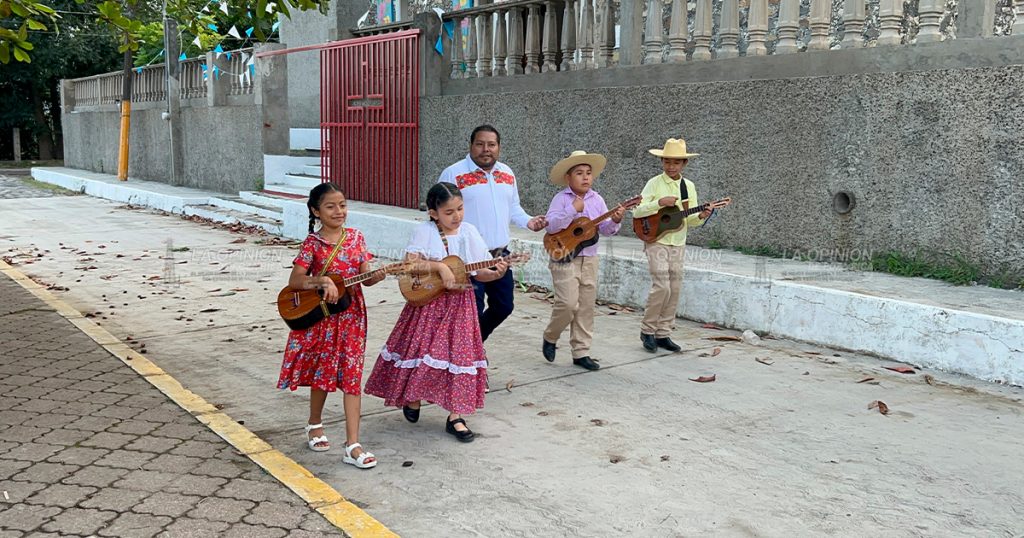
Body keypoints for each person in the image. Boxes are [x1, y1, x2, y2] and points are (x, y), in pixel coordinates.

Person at [364, 183, 509, 443]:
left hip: (460, 305)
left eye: (460, 209)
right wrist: (440, 268)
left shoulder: (470, 232)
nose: (457, 216)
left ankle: (456, 416)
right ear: (433, 213)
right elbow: (410, 264)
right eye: (449, 212)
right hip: (428, 304)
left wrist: (495, 272)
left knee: (459, 357)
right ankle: (414, 396)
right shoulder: (424, 231)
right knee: (422, 352)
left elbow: (479, 271)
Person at [277, 183, 384, 469]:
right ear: (315, 211)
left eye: (343, 205)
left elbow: (365, 275)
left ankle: (353, 444)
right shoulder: (313, 243)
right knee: (322, 374)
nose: (339, 211)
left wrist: (376, 276)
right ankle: (314, 422)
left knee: (352, 375)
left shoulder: (357, 238)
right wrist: (321, 281)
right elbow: (295, 281)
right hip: (323, 317)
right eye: (330, 206)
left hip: (352, 316)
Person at [437, 125, 546, 341]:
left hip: (499, 255)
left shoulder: (507, 173)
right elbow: (440, 213)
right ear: (471, 145)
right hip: (467, 257)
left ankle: (474, 345)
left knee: (504, 306)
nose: (486, 149)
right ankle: (471, 357)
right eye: (480, 144)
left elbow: (514, 207)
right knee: (471, 311)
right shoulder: (454, 173)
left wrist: (529, 222)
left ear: (499, 147)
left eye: (491, 144)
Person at [541, 151, 625, 371]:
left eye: (589, 173)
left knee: (586, 306)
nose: (586, 177)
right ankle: (551, 335)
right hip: (564, 258)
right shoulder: (561, 199)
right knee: (568, 304)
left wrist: (615, 220)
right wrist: (572, 210)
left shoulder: (597, 200)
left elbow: (605, 229)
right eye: (579, 173)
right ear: (569, 178)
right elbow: (551, 226)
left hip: (589, 259)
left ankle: (581, 352)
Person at [631, 138, 714, 353]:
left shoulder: (689, 187)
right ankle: (647, 330)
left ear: (684, 164)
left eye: (676, 163)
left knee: (675, 288)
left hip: (678, 242)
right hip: (656, 239)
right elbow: (637, 211)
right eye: (667, 162)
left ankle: (663, 333)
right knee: (662, 286)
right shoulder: (654, 183)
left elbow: (689, 219)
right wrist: (659, 203)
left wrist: (702, 215)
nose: (671, 167)